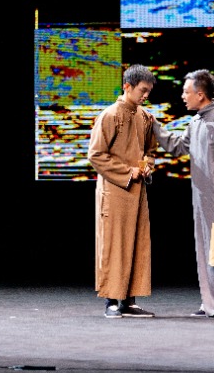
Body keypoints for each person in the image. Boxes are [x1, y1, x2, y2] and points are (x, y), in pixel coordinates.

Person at [153, 69, 214, 318]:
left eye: (186, 92)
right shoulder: (196, 122)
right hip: (202, 197)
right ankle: (211, 302)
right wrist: (155, 127)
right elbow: (179, 147)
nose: (183, 96)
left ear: (200, 94)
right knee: (207, 249)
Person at [87, 64, 158, 319]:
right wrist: (128, 172)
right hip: (115, 190)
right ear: (127, 86)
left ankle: (129, 300)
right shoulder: (109, 115)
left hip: (138, 192)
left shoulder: (145, 117)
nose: (145, 96)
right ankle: (111, 300)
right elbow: (96, 154)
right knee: (114, 245)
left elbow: (150, 150)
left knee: (137, 244)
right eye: (142, 90)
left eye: (148, 92)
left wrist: (147, 166)